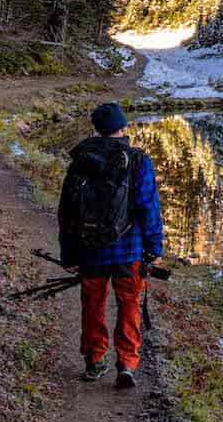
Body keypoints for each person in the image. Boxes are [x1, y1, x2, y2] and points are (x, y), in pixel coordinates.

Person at [57, 102, 163, 389]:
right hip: (129, 249)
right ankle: (127, 363)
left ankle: (94, 360)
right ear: (123, 127)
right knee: (129, 304)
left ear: (96, 129)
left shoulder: (81, 159)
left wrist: (68, 252)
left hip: (90, 248)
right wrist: (154, 248)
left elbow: (67, 210)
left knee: (93, 304)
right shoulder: (138, 160)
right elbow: (148, 207)